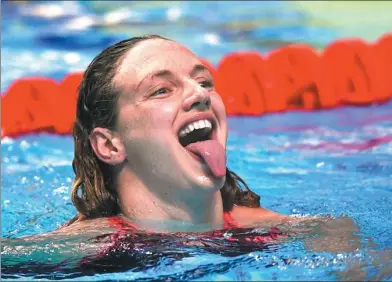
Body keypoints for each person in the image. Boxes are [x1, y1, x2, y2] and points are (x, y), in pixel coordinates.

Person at [62, 34, 289, 234]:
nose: (200, 93)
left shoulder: (279, 234)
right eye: (161, 90)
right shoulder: (83, 253)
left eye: (204, 82)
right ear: (109, 146)